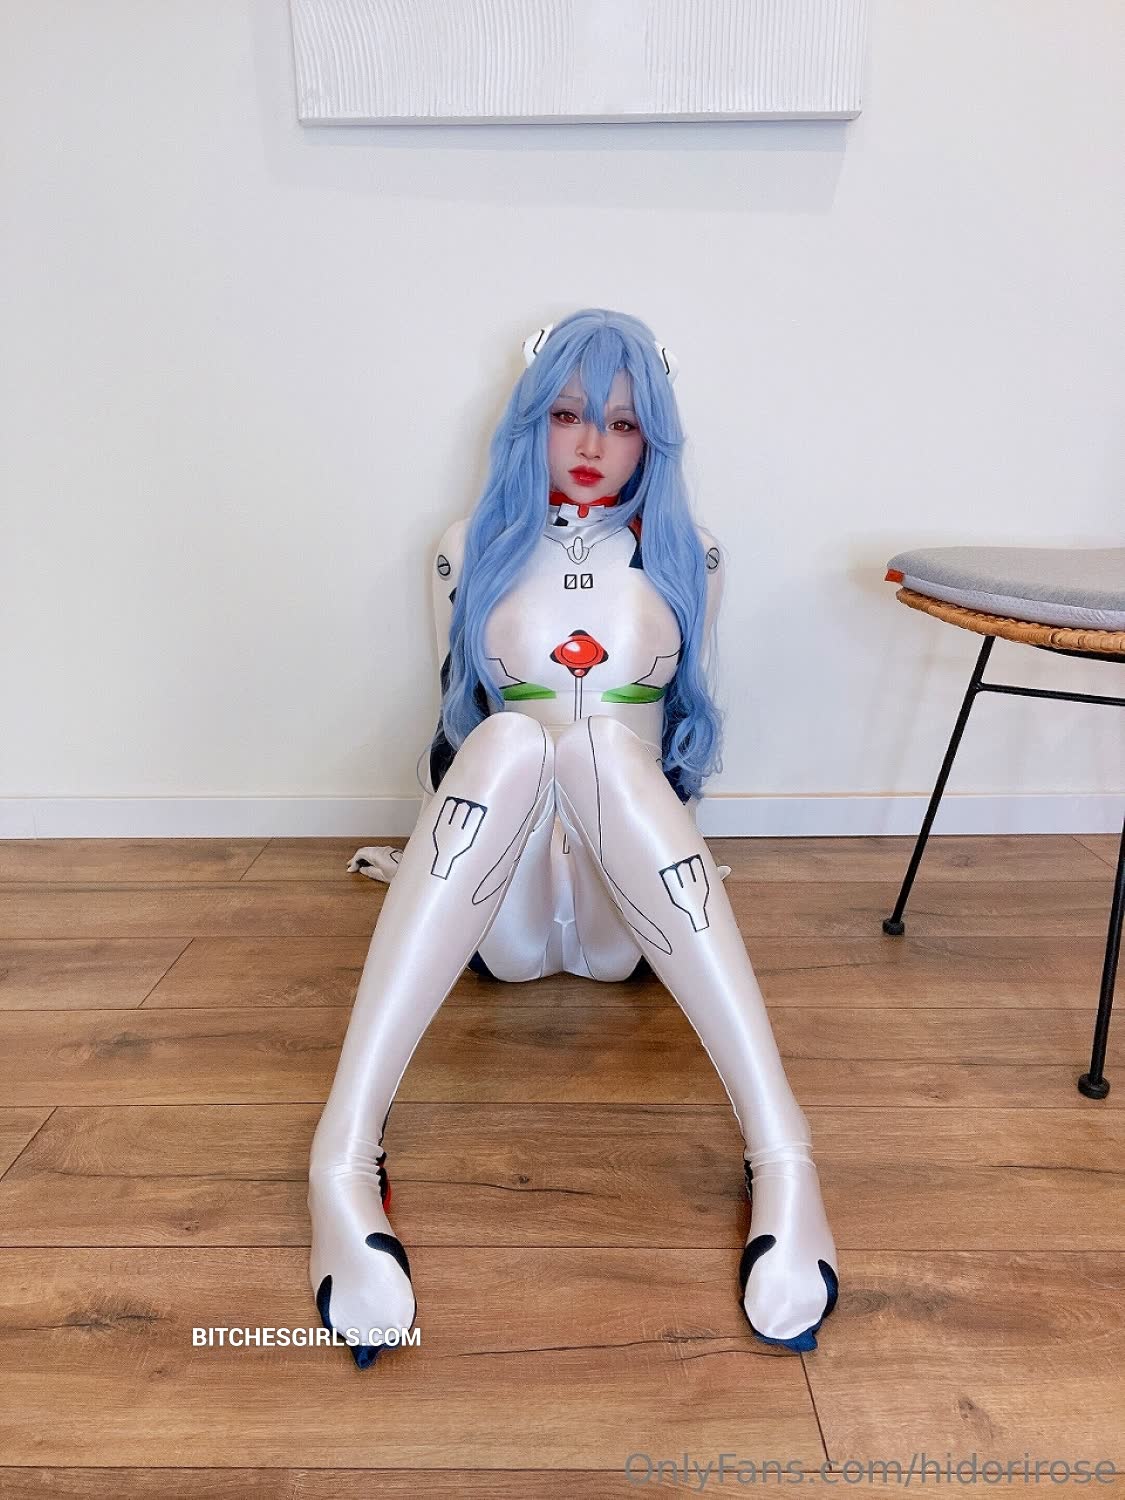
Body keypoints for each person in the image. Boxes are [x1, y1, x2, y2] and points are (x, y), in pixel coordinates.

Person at [310, 308, 839, 1368]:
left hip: (620, 917)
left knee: (600, 745)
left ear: (655, 438)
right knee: (509, 737)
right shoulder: (466, 551)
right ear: (531, 421)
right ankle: (340, 1155)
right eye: (567, 415)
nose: (593, 444)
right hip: (502, 916)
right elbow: (453, 728)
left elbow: (675, 740)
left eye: (624, 423)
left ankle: (784, 1154)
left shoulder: (692, 555)